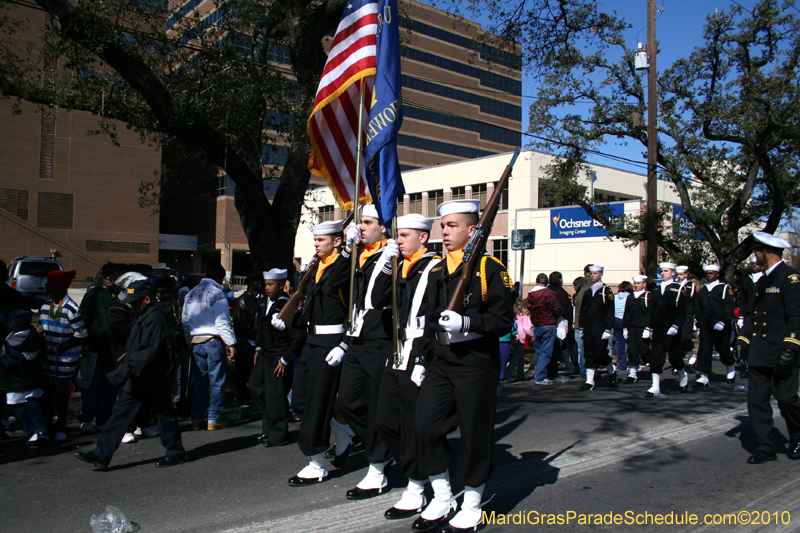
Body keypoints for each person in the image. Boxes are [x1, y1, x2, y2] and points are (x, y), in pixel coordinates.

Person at [412, 199, 514, 533]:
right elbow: (429, 319)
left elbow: (502, 320)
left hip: (475, 363)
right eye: (443, 225)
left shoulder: (490, 269)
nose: (444, 231)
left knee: (474, 434)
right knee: (425, 426)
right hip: (441, 361)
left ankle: (472, 501)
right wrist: (422, 358)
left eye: (452, 225)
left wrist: (466, 324)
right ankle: (442, 495)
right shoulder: (438, 270)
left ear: (473, 230)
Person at [74, 280, 186, 470]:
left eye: (135, 301)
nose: (132, 305)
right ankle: (102, 454)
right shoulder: (143, 318)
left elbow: (146, 354)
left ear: (147, 299)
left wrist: (123, 372)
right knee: (121, 413)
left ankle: (175, 451)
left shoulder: (154, 320)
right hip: (140, 378)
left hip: (151, 378)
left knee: (163, 415)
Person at [375, 213, 441, 520]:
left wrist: (424, 358)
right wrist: (386, 263)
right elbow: (376, 300)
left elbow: (436, 315)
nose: (397, 240)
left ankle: (419, 487)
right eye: (397, 235)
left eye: (403, 235)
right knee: (386, 419)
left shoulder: (435, 267)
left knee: (416, 423)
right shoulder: (399, 266)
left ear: (423, 237)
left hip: (418, 349)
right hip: (396, 349)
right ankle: (416, 471)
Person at [278, 219, 350, 486]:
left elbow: (354, 309)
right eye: (316, 240)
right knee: (298, 401)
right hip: (310, 341)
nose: (316, 244)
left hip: (330, 341)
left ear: (337, 241)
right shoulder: (314, 267)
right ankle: (342, 434)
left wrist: (344, 344)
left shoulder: (343, 267)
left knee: (318, 404)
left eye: (322, 240)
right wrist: (287, 319)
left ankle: (316, 462)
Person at [333, 204, 398, 499]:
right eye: (360, 222)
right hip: (357, 338)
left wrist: (387, 263)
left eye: (368, 222)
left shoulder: (392, 254)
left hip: (381, 338)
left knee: (377, 406)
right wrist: (346, 251)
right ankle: (381, 447)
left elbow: (379, 297)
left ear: (383, 228)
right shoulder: (358, 255)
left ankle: (377, 468)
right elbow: (336, 284)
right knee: (347, 401)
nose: (361, 227)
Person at [734, 231, 800, 464]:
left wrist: (791, 348)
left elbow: (796, 316)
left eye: (756, 251)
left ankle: (797, 436)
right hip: (760, 352)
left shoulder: (790, 278)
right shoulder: (762, 281)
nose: (754, 256)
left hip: (782, 351)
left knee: (787, 400)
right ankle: (765, 447)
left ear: (765, 252)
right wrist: (743, 341)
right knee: (757, 402)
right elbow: (753, 315)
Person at [250, 268, 302, 447]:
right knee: (255, 387)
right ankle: (269, 427)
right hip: (264, 354)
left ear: (282, 285)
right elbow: (261, 328)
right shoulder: (265, 302)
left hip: (278, 357)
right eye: (265, 284)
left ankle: (278, 434)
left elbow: (296, 336)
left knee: (276, 396)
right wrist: (258, 348)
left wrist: (286, 359)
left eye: (271, 284)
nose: (267, 288)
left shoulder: (287, 305)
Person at [182, 262, 236, 431]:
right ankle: (214, 418)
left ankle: (196, 418)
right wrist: (231, 342)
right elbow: (221, 320)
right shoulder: (217, 293)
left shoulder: (191, 294)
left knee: (199, 382)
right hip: (213, 341)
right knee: (217, 382)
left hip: (196, 341)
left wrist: (187, 341)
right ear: (221, 278)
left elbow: (185, 321)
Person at [39, 269, 87, 442]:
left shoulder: (70, 308)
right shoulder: (45, 306)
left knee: (61, 395)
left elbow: (81, 334)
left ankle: (61, 426)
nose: (45, 286)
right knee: (46, 395)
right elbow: (42, 329)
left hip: (65, 360)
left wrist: (60, 348)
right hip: (48, 360)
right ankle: (46, 427)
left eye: (49, 283)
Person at [77, 263, 121, 433]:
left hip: (113, 350)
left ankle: (104, 419)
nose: (109, 278)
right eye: (106, 275)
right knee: (89, 385)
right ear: (102, 276)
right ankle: (86, 418)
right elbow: (84, 318)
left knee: (109, 387)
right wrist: (84, 343)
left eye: (112, 275)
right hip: (94, 347)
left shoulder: (121, 294)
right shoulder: (93, 294)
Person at [0, 309, 47, 445]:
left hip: (17, 382)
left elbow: (11, 362)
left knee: (21, 408)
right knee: (34, 407)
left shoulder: (14, 342)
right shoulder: (33, 336)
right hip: (31, 380)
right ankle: (40, 431)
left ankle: (31, 432)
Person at [646, 262, 689, 397]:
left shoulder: (678, 288)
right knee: (656, 356)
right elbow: (652, 310)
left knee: (675, 357)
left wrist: (676, 325)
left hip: (672, 328)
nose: (662, 273)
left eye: (665, 271)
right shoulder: (656, 289)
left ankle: (682, 373)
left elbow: (682, 309)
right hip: (658, 328)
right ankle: (655, 386)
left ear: (673, 273)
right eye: (662, 271)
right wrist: (649, 327)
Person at [694, 265, 736, 387]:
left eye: (711, 273)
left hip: (721, 326)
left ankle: (730, 367)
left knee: (723, 348)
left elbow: (729, 306)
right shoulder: (703, 290)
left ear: (717, 274)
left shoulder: (724, 288)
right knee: (704, 350)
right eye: (707, 273)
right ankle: (703, 375)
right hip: (706, 326)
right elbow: (698, 308)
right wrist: (698, 323)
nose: (708, 276)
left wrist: (723, 321)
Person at [578, 265, 615, 391]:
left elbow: (610, 311)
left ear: (601, 274)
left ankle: (611, 369)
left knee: (601, 354)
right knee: (589, 354)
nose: (592, 275)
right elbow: (583, 310)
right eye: (591, 273)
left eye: (595, 273)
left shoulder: (606, 291)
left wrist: (608, 329)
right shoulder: (588, 292)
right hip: (588, 328)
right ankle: (589, 381)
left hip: (600, 328)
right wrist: (581, 327)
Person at [231, 273, 265, 407]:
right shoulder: (243, 301)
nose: (260, 283)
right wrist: (243, 343)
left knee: (257, 373)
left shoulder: (263, 300)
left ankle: (256, 397)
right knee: (243, 372)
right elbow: (239, 324)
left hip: (259, 342)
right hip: (248, 342)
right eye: (256, 281)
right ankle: (243, 397)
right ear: (249, 284)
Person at [525, 273, 563, 385]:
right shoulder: (549, 293)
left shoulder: (531, 295)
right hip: (548, 324)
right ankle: (540, 377)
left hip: (537, 325)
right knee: (546, 353)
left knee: (540, 351)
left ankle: (540, 374)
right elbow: (557, 308)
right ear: (546, 283)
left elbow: (527, 306)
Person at [621, 275, 652, 384]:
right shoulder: (630, 297)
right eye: (635, 283)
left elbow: (650, 313)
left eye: (638, 283)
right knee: (632, 351)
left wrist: (648, 328)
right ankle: (632, 374)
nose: (636, 286)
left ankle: (654, 366)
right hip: (632, 328)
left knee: (644, 350)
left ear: (644, 284)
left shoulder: (648, 296)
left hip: (643, 328)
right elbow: (627, 313)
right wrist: (625, 327)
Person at [548, 271, 573, 373]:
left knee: (548, 347)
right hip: (560, 321)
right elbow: (566, 309)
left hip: (547, 321)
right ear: (559, 280)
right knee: (559, 346)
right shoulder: (562, 293)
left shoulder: (548, 291)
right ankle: (557, 369)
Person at [676, 266, 698, 371]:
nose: (679, 276)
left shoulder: (690, 286)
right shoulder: (675, 285)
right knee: (676, 340)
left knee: (685, 338)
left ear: (686, 275)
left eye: (681, 274)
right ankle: (678, 363)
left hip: (687, 314)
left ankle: (690, 352)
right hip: (676, 315)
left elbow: (692, 300)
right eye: (678, 274)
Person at [504, 300, 531, 382]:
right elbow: (526, 328)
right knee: (517, 357)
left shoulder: (514, 316)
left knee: (520, 357)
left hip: (514, 336)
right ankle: (507, 374)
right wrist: (532, 335)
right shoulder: (525, 316)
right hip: (520, 338)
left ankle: (520, 374)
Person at [612, 281, 633, 381]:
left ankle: (621, 364)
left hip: (616, 320)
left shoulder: (615, 296)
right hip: (626, 321)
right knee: (630, 343)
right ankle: (633, 362)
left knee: (619, 343)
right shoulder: (630, 297)